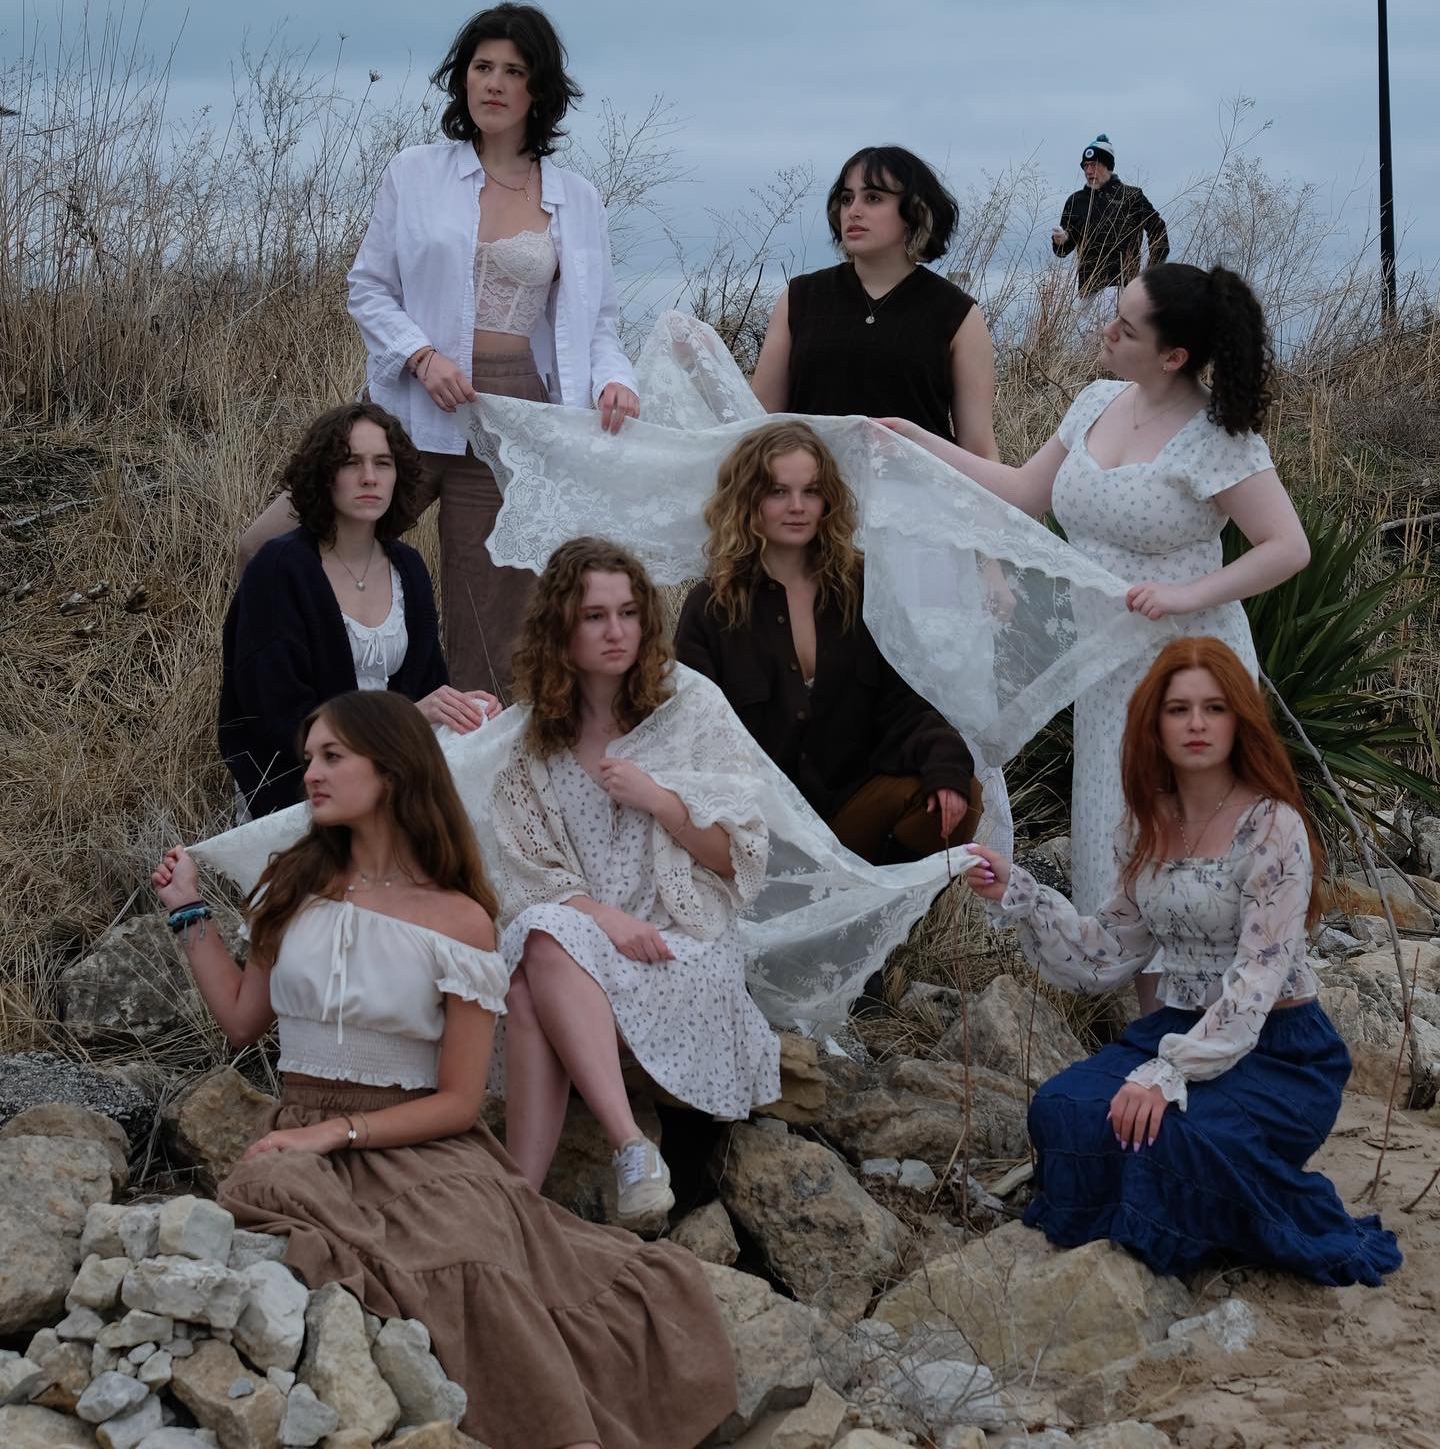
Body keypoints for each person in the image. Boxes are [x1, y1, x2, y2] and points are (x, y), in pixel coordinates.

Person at [156, 690, 737, 1449]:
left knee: (477, 1263)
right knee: (269, 1188)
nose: (312, 775)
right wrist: (187, 910)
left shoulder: (459, 918)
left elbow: (461, 1102)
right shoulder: (291, 883)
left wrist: (341, 1132)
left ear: (392, 771)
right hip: (301, 1130)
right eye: (309, 760)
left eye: (333, 757)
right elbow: (240, 1019)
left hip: (421, 1146)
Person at [882, 262, 1310, 998]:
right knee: (1121, 839)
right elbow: (1023, 492)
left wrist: (1186, 594)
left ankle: (1229, 1030)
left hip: (1190, 672)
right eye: (1112, 314)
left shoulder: (1218, 437)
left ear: (1173, 356)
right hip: (1107, 673)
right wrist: (918, 440)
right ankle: (1144, 1034)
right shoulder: (1095, 403)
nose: (1103, 330)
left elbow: (1286, 548)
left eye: (1125, 327)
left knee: (1192, 849)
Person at [962, 637, 1402, 1287]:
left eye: (1215, 707)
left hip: (1279, 1051)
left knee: (1170, 1134)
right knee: (1064, 1108)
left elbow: (1257, 979)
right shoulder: (1145, 826)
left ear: (1239, 720)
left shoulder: (1272, 826)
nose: (1196, 724)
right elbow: (1105, 955)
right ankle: (1170, 1208)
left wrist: (1168, 1074)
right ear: (1154, 724)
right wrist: (1021, 895)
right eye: (1178, 709)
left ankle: (1221, 1216)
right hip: (1175, 1027)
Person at [238, 1, 640, 695]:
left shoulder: (578, 198)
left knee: (490, 621)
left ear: (537, 90)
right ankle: (309, 714)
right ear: (462, 78)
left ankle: (473, 778)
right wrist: (421, 355)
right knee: (272, 544)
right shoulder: (415, 173)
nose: (493, 83)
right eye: (482, 67)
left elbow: (598, 319)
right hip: (411, 409)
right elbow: (367, 287)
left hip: (513, 421)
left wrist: (614, 379)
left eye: (513, 71)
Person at [493, 538, 781, 1229]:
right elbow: (532, 877)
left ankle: (533, 1192)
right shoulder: (534, 743)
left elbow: (736, 860)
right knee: (541, 940)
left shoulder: (690, 711)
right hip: (586, 945)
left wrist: (660, 800)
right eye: (594, 616)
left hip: (680, 945)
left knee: (535, 973)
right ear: (561, 627)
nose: (616, 632)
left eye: (628, 613)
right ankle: (546, 1193)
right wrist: (604, 919)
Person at [675, 420, 976, 863]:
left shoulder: (859, 587)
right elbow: (691, 737)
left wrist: (945, 764)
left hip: (850, 810)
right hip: (758, 829)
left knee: (957, 792)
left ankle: (878, 912)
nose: (797, 507)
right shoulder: (711, 606)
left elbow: (905, 700)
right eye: (778, 491)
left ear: (828, 499)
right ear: (747, 499)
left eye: (811, 491)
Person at [219, 402, 498, 818]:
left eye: (383, 463)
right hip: (303, 786)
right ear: (324, 473)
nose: (370, 478)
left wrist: (460, 709)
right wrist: (402, 720)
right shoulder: (280, 570)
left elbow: (427, 686)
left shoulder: (408, 567)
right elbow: (277, 719)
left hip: (393, 767)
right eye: (351, 462)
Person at [751, 145, 998, 454]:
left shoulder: (956, 313)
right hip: (813, 494)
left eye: (873, 198)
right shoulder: (801, 297)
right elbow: (761, 425)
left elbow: (977, 447)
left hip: (918, 495)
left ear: (914, 211)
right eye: (846, 198)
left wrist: (999, 502)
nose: (854, 210)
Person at [1051, 134, 1169, 298]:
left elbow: (1158, 229)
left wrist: (1150, 273)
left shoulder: (1131, 196)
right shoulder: (1076, 200)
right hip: (1088, 291)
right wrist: (1061, 241)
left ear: (1108, 166)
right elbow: (1062, 251)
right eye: (1085, 166)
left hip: (1126, 289)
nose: (1088, 171)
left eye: (1094, 165)